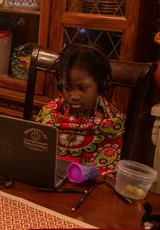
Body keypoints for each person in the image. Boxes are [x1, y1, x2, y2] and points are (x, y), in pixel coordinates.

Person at [36, 44, 125, 174]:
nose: (74, 96)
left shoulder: (113, 122)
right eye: (67, 88)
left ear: (101, 85)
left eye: (82, 88)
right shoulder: (48, 113)